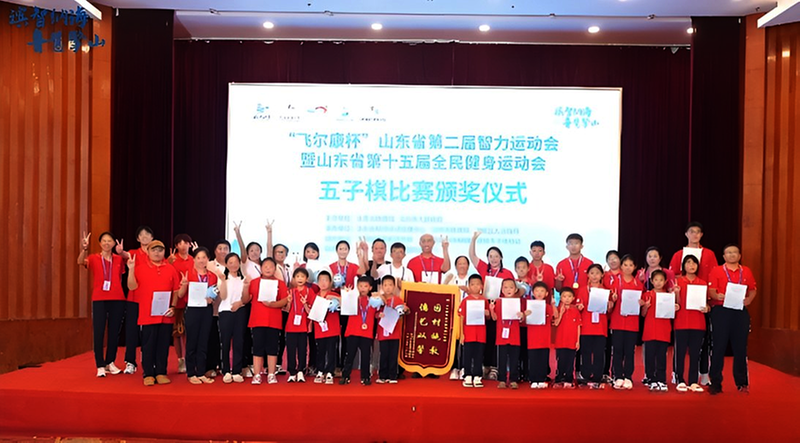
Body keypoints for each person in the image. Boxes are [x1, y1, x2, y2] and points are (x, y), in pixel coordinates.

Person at [126, 240, 184, 386]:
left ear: (164, 252)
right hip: (147, 314)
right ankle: (148, 373)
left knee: (163, 345)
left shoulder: (170, 269)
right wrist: (131, 270)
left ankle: (161, 372)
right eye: (154, 250)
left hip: (165, 314)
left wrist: (173, 307)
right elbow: (131, 286)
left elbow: (176, 290)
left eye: (160, 250)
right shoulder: (140, 268)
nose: (157, 253)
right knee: (148, 345)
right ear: (148, 252)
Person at [668, 221, 718, 386]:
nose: (695, 235)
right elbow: (671, 276)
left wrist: (708, 301)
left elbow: (714, 276)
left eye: (698, 232)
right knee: (680, 347)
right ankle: (678, 375)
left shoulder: (709, 254)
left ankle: (701, 374)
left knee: (701, 345)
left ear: (701, 235)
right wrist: (677, 289)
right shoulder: (678, 254)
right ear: (686, 234)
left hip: (701, 305)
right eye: (691, 232)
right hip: (683, 307)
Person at [707, 244, 757, 395]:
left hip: (740, 311)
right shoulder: (716, 270)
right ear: (724, 256)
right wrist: (716, 295)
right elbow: (711, 290)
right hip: (721, 310)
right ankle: (715, 382)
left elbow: (753, 289)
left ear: (739, 256)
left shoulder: (746, 270)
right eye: (728, 252)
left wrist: (749, 300)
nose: (732, 255)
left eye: (735, 252)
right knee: (719, 346)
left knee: (740, 347)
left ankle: (742, 382)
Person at [468, 231, 515, 381]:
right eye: (490, 256)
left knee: (496, 338)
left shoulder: (507, 273)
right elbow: (472, 256)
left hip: (499, 309)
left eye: (496, 256)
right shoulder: (484, 269)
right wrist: (473, 239)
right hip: (484, 307)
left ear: (501, 257)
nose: (493, 259)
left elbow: (512, 290)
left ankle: (495, 367)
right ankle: (485, 366)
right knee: (484, 337)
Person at [78, 231, 126, 377]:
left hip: (117, 298)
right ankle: (100, 364)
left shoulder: (118, 259)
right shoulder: (93, 258)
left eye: (109, 241)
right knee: (98, 331)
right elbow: (80, 262)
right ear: (100, 243)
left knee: (114, 332)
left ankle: (110, 362)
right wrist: (84, 248)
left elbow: (121, 275)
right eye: (104, 241)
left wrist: (122, 252)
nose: (106, 243)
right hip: (99, 298)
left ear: (113, 243)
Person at [181, 247, 226, 385]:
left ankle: (201, 372)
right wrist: (184, 285)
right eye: (198, 258)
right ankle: (191, 372)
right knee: (192, 341)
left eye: (204, 257)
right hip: (192, 310)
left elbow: (214, 292)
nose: (201, 260)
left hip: (206, 310)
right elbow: (181, 295)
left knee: (203, 341)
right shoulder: (188, 273)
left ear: (208, 259)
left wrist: (212, 298)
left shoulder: (212, 276)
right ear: (194, 259)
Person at [116, 225, 154, 375]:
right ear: (138, 238)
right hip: (134, 297)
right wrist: (120, 252)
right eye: (141, 235)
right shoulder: (133, 253)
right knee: (132, 330)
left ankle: (148, 360)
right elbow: (125, 255)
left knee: (149, 332)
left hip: (150, 298)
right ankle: (130, 362)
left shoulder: (155, 253)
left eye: (147, 234)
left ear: (152, 237)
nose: (144, 237)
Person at [247, 257, 290, 385]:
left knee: (272, 347)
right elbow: (247, 298)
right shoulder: (254, 282)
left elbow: (285, 300)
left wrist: (272, 305)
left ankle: (271, 374)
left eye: (270, 266)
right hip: (257, 320)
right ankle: (257, 374)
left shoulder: (280, 283)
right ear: (261, 268)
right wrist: (244, 286)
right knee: (257, 347)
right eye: (265, 266)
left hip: (274, 320)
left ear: (275, 269)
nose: (267, 268)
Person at [673, 255, 708, 393]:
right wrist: (676, 293)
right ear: (683, 266)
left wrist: (707, 308)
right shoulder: (678, 281)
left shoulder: (702, 283)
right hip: (681, 321)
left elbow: (707, 304)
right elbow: (675, 304)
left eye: (694, 263)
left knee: (695, 353)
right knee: (680, 352)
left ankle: (693, 381)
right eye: (688, 262)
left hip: (698, 322)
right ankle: (680, 379)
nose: (691, 265)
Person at [640, 270, 677, 392]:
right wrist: (646, 306)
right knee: (650, 356)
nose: (658, 282)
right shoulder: (647, 294)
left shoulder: (668, 296)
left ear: (665, 281)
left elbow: (672, 314)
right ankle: (651, 378)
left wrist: (675, 307)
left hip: (664, 330)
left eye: (661, 280)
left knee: (662, 356)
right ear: (651, 281)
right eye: (656, 280)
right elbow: (643, 314)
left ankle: (661, 379)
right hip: (650, 330)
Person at [610, 254, 642, 390]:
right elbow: (609, 303)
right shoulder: (615, 282)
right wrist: (613, 299)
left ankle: (628, 376)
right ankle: (617, 375)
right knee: (617, 350)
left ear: (634, 267)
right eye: (625, 265)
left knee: (629, 351)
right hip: (617, 321)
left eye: (631, 265)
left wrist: (641, 303)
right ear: (621, 266)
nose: (628, 267)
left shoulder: (638, 284)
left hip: (632, 322)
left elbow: (642, 302)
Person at [340, 276, 378, 386]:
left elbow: (376, 313)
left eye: (365, 286)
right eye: (360, 286)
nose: (363, 288)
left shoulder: (373, 300)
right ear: (357, 287)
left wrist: (378, 314)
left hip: (366, 333)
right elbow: (343, 304)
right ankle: (345, 376)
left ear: (370, 288)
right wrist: (347, 294)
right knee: (350, 355)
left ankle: (365, 377)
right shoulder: (353, 299)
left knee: (366, 356)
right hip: (352, 331)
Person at [578, 264, 611, 388]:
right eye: (592, 273)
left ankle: (598, 375)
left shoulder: (606, 291)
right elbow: (578, 305)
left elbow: (609, 311)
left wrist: (610, 304)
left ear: (602, 275)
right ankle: (585, 375)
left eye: (597, 273)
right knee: (586, 352)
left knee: (599, 352)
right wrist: (579, 307)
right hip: (586, 325)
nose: (594, 276)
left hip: (600, 326)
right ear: (587, 275)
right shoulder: (583, 290)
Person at [167, 234, 195, 374]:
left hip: (192, 299)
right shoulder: (172, 260)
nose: (183, 245)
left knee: (191, 331)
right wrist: (168, 262)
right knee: (177, 331)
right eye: (179, 243)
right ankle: (180, 359)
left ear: (190, 244)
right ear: (176, 246)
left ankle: (191, 358)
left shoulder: (194, 260)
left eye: (186, 243)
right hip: (177, 300)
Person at [489, 278, 524, 389]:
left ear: (515, 289)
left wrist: (522, 315)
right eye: (505, 287)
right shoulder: (498, 302)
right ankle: (502, 379)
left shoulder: (518, 302)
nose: (508, 290)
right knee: (502, 358)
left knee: (514, 358)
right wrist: (491, 309)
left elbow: (522, 320)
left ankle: (513, 379)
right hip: (501, 335)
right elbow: (495, 318)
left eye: (511, 287)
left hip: (514, 334)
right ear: (502, 289)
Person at [219, 252, 248, 384]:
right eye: (230, 262)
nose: (234, 265)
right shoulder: (223, 278)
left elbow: (247, 298)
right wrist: (223, 281)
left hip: (240, 311)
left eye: (236, 262)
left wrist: (240, 303)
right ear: (226, 264)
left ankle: (237, 370)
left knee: (239, 341)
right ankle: (226, 370)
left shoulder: (244, 279)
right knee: (225, 342)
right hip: (225, 312)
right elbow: (223, 296)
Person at [457, 274, 490, 388]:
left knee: (479, 354)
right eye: (472, 284)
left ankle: (477, 375)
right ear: (469, 286)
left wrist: (487, 313)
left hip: (481, 333)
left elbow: (488, 317)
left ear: (481, 286)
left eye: (477, 284)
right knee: (467, 354)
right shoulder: (465, 300)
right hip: (468, 332)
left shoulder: (484, 300)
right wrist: (461, 334)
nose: (475, 286)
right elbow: (461, 317)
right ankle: (467, 375)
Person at [204, 240, 230, 379]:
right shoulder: (209, 265)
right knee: (211, 337)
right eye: (220, 248)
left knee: (224, 338)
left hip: (229, 308)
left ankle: (223, 365)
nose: (223, 251)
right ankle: (210, 366)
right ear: (215, 251)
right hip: (213, 307)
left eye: (226, 248)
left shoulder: (233, 265)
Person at [442, 255, 471, 380]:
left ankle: (464, 367)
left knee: (466, 342)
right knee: (453, 342)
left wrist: (469, 291)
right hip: (453, 315)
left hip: (468, 315)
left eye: (464, 263)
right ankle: (454, 367)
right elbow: (442, 293)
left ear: (468, 266)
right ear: (456, 266)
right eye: (460, 263)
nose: (462, 266)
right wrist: (445, 282)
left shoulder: (472, 280)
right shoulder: (452, 279)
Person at [311, 271, 341, 385]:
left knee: (332, 350)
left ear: (330, 282)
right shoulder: (315, 296)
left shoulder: (334, 294)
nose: (323, 283)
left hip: (332, 328)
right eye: (321, 280)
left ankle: (330, 372)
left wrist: (333, 297)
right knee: (320, 350)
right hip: (319, 328)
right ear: (317, 282)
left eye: (326, 280)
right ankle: (320, 370)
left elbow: (345, 303)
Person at [525, 282, 556, 389]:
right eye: (537, 291)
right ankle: (533, 379)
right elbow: (522, 320)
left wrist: (553, 304)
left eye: (542, 291)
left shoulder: (548, 307)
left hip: (544, 338)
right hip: (532, 337)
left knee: (543, 358)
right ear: (533, 293)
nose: (539, 293)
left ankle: (542, 379)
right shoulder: (529, 306)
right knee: (533, 359)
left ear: (546, 294)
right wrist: (524, 314)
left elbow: (555, 316)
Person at [286, 268, 313, 383]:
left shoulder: (309, 292)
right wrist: (288, 301)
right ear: (294, 279)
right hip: (291, 325)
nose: (300, 279)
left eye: (302, 276)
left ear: (306, 279)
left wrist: (305, 304)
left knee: (303, 349)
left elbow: (311, 311)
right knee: (291, 349)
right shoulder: (291, 292)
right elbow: (286, 310)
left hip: (303, 325)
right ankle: (292, 372)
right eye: (297, 276)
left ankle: (301, 370)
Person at [376, 276, 405, 384]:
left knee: (393, 354)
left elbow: (403, 311)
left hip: (394, 332)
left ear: (394, 287)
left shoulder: (398, 300)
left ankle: (393, 376)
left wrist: (404, 310)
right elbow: (374, 313)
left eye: (390, 285)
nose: (388, 287)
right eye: (385, 285)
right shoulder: (378, 299)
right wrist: (378, 314)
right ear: (382, 287)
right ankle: (382, 375)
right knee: (383, 354)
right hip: (383, 331)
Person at [553, 287, 581, 389]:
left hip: (572, 340)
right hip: (560, 340)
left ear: (573, 298)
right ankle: (559, 378)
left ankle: (569, 379)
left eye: (569, 296)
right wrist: (561, 313)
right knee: (561, 360)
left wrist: (578, 341)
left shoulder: (576, 311)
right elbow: (556, 323)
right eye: (564, 296)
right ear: (560, 298)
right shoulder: (557, 309)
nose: (567, 298)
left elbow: (578, 326)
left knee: (570, 360)